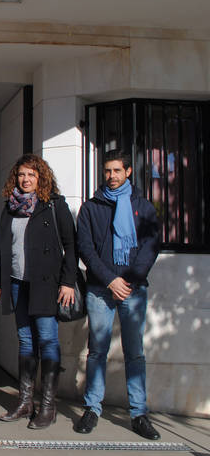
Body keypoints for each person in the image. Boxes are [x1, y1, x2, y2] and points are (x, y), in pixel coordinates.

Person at [75, 150, 161, 440]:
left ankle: (139, 414)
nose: (111, 176)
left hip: (134, 290)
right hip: (101, 288)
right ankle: (92, 409)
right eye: (107, 171)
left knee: (134, 352)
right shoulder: (91, 207)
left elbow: (150, 246)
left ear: (128, 172)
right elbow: (85, 248)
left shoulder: (143, 207)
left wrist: (130, 280)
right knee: (97, 350)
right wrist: (111, 280)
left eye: (116, 171)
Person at [0, 154, 77, 429]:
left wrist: (67, 282)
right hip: (18, 283)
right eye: (21, 175)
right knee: (25, 341)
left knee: (47, 340)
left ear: (41, 177)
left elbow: (71, 246)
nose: (26, 179)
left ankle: (48, 407)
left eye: (32, 174)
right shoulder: (10, 208)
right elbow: (3, 246)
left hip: (47, 285)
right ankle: (24, 402)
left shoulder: (54, 206)